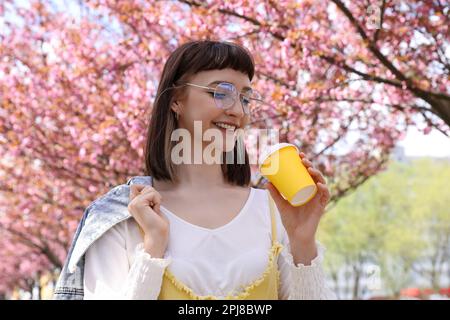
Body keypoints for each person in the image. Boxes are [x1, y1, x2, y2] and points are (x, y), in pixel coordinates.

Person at [54, 40, 336, 300]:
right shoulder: (126, 215)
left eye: (246, 98)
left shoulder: (272, 209)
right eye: (221, 93)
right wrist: (152, 248)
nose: (238, 110)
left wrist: (302, 242)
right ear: (176, 100)